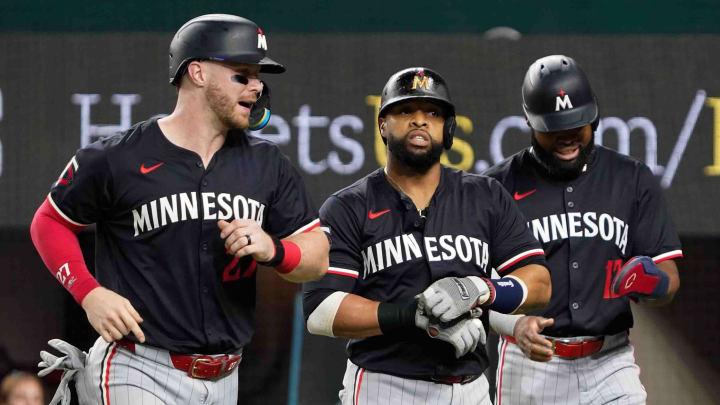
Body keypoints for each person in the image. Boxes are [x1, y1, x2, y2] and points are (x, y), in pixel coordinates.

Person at [29, 14, 328, 405]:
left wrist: (275, 249)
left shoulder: (267, 163)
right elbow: (49, 222)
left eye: (258, 76)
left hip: (226, 377)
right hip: (138, 366)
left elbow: (317, 258)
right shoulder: (119, 156)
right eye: (242, 74)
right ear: (198, 72)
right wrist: (90, 294)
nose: (256, 86)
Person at [303, 67, 551, 405]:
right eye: (405, 111)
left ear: (448, 128)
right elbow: (321, 311)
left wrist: (480, 288)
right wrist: (414, 317)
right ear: (382, 125)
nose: (420, 121)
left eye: (433, 113)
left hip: (471, 389)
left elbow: (539, 282)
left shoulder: (485, 196)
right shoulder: (349, 206)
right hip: (386, 386)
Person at [484, 55, 682, 405]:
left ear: (594, 116)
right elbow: (478, 287)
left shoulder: (631, 178)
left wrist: (653, 282)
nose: (566, 137)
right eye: (554, 128)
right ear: (531, 123)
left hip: (609, 361)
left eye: (576, 125)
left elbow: (668, 276)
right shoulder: (496, 186)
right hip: (531, 365)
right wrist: (513, 325)